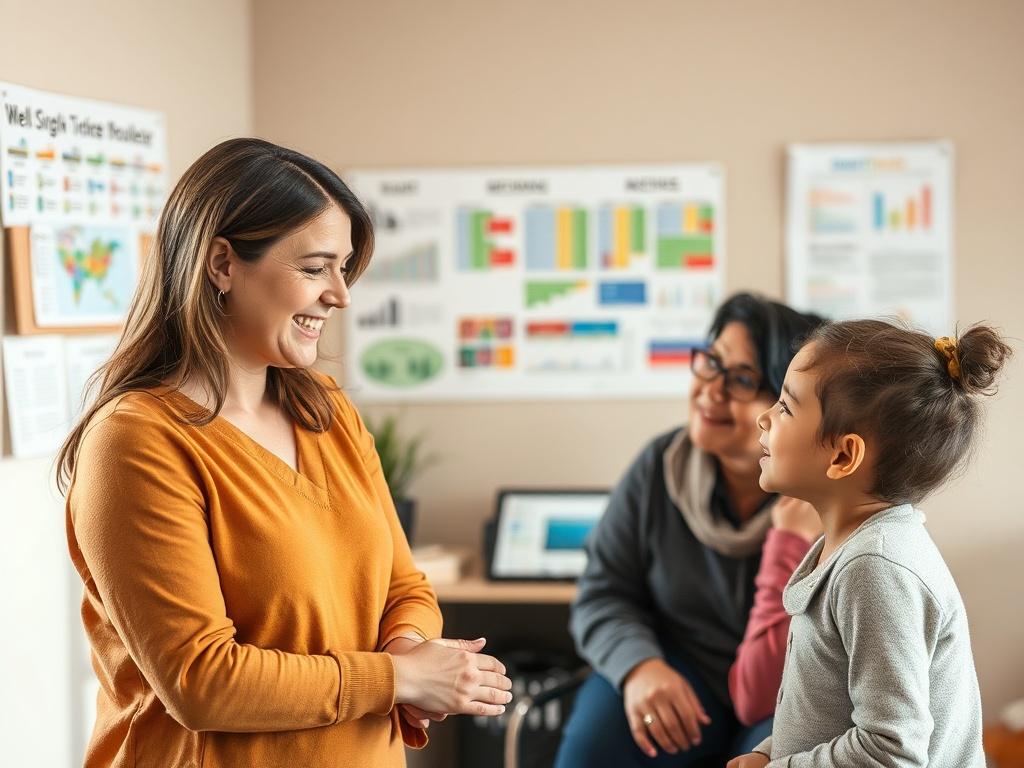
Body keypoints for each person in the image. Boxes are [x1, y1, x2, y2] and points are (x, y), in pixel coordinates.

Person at [58, 138, 512, 768]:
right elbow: (201, 681)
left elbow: (403, 583)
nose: (340, 294)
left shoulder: (327, 410)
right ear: (222, 263)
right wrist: (398, 680)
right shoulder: (136, 440)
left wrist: (411, 648)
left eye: (343, 267)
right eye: (313, 267)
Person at [555, 293, 825, 767]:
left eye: (742, 379)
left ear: (785, 407)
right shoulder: (660, 465)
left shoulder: (825, 501)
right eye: (711, 364)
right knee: (595, 743)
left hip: (786, 689)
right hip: (677, 668)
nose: (711, 391)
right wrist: (641, 667)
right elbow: (603, 593)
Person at [728, 320, 1012, 767]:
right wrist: (769, 753)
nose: (764, 417)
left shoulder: (876, 568)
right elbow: (828, 706)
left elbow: (890, 752)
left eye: (785, 407)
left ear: (843, 455)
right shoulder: (850, 549)